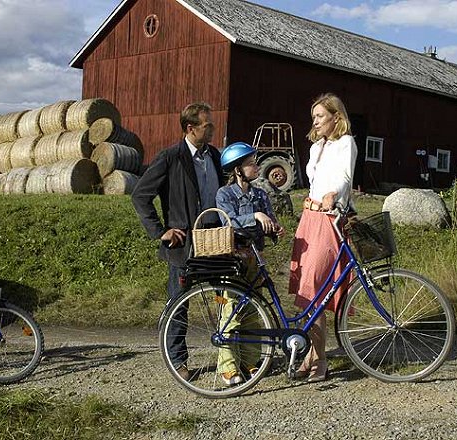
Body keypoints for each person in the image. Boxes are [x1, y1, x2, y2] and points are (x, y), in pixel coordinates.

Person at [132, 102, 224, 381]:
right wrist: (160, 231)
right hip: (183, 243)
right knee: (179, 302)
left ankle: (229, 359)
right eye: (208, 125)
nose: (213, 129)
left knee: (223, 297)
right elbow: (140, 195)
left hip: (214, 239)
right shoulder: (170, 157)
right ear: (190, 128)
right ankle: (178, 360)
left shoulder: (215, 155)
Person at [289, 93, 358, 383]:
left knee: (316, 291)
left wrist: (335, 194)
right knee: (306, 293)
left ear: (335, 117)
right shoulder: (316, 147)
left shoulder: (346, 143)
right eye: (314, 117)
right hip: (308, 218)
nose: (315, 121)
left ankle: (322, 360)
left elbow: (344, 177)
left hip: (328, 220)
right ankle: (311, 355)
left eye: (320, 116)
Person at [215, 142, 285, 386]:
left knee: (254, 313)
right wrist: (254, 216)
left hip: (255, 259)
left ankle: (250, 360)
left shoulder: (261, 194)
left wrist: (275, 229)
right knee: (230, 311)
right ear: (237, 169)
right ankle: (228, 367)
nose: (256, 167)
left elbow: (270, 222)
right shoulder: (225, 195)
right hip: (233, 260)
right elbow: (228, 222)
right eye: (251, 163)